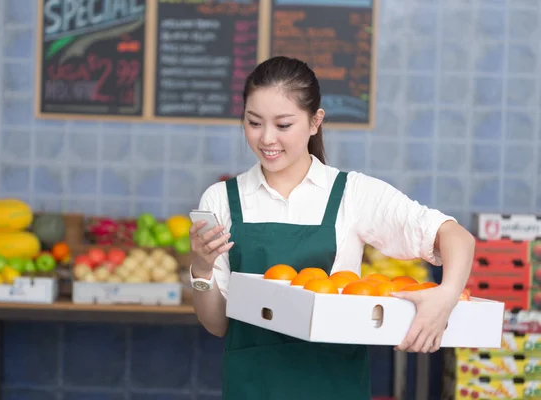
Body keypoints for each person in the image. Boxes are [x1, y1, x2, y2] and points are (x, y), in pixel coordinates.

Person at [188, 56, 474, 399]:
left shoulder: (352, 194)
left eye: (283, 125)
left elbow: (454, 236)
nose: (266, 138)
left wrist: (445, 297)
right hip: (253, 386)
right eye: (254, 122)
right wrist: (202, 268)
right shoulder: (221, 199)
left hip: (334, 384)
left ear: (314, 122)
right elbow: (218, 325)